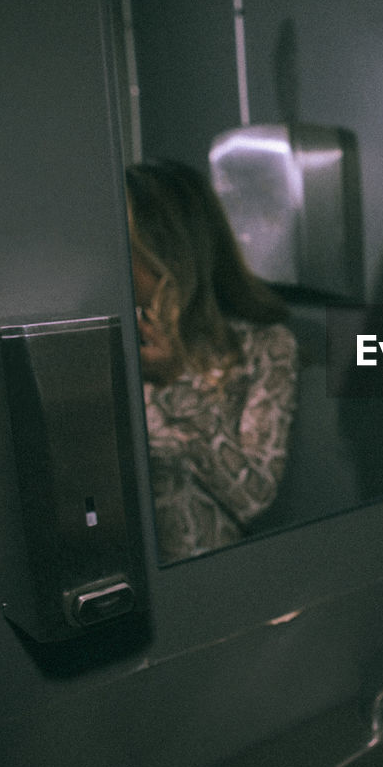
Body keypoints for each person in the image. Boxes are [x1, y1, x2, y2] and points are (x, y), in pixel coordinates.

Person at [126, 160, 299, 563]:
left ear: (163, 251)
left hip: (213, 585)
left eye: (125, 246)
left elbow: (255, 498)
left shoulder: (263, 346)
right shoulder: (110, 344)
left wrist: (173, 382)